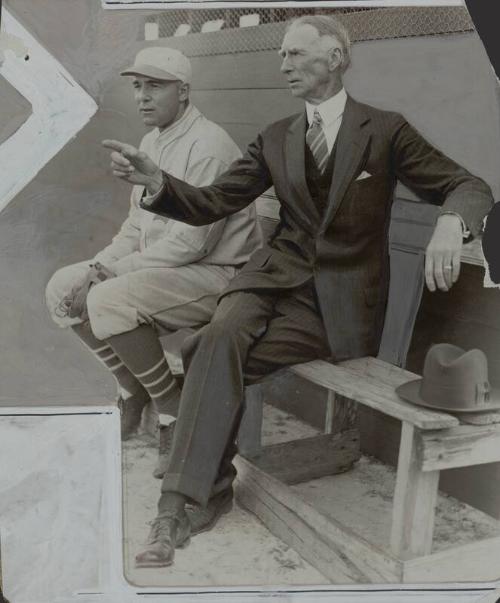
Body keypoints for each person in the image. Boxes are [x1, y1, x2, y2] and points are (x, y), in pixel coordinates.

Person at [103, 15, 494, 568]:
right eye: (281, 54)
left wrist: (452, 223)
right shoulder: (277, 135)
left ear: (334, 59)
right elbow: (215, 201)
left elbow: (468, 185)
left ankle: (198, 494)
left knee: (208, 351)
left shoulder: (384, 131)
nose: (282, 63)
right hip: (266, 278)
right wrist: (157, 184)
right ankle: (177, 505)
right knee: (220, 335)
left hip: (334, 301)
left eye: (294, 54)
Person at [46, 46, 262, 484]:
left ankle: (172, 410)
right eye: (138, 86)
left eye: (155, 86)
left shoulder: (209, 146)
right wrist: (99, 266)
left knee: (106, 298)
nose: (143, 97)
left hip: (220, 274)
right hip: (171, 269)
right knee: (62, 288)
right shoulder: (151, 141)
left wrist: (109, 275)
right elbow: (135, 226)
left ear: (183, 91)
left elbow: (193, 243)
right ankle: (134, 386)